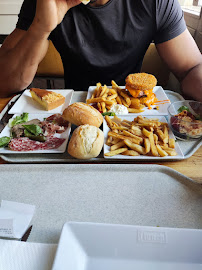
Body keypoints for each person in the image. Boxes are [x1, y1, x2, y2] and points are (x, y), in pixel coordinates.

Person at [0, 0, 201, 102]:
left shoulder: (156, 2)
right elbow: (4, 83)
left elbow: (192, 67)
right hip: (74, 110)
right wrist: (41, 28)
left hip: (133, 110)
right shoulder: (42, 2)